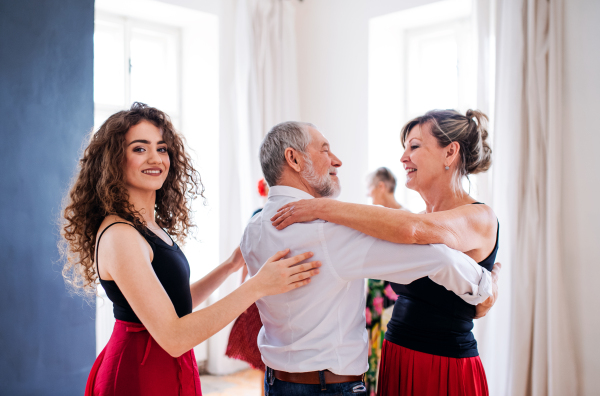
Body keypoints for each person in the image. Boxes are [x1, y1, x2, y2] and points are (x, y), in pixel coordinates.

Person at [59, 103, 321, 396]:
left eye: (161, 148)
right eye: (139, 148)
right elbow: (174, 335)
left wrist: (230, 265)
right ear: (114, 160)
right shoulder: (121, 235)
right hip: (140, 373)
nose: (155, 158)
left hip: (163, 365)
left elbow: (175, 304)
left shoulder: (146, 226)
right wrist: (258, 286)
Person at [241, 121, 497, 396]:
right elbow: (439, 258)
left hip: (276, 383)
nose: (336, 161)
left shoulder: (254, 229)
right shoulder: (333, 234)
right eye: (326, 150)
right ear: (293, 158)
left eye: (415, 146)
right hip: (331, 386)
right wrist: (487, 286)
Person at [364, 167, 403, 395]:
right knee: (369, 350)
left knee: (388, 351)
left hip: (395, 298)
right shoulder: (372, 218)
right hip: (373, 297)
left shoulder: (408, 218)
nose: (368, 195)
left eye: (370, 189)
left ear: (381, 186)